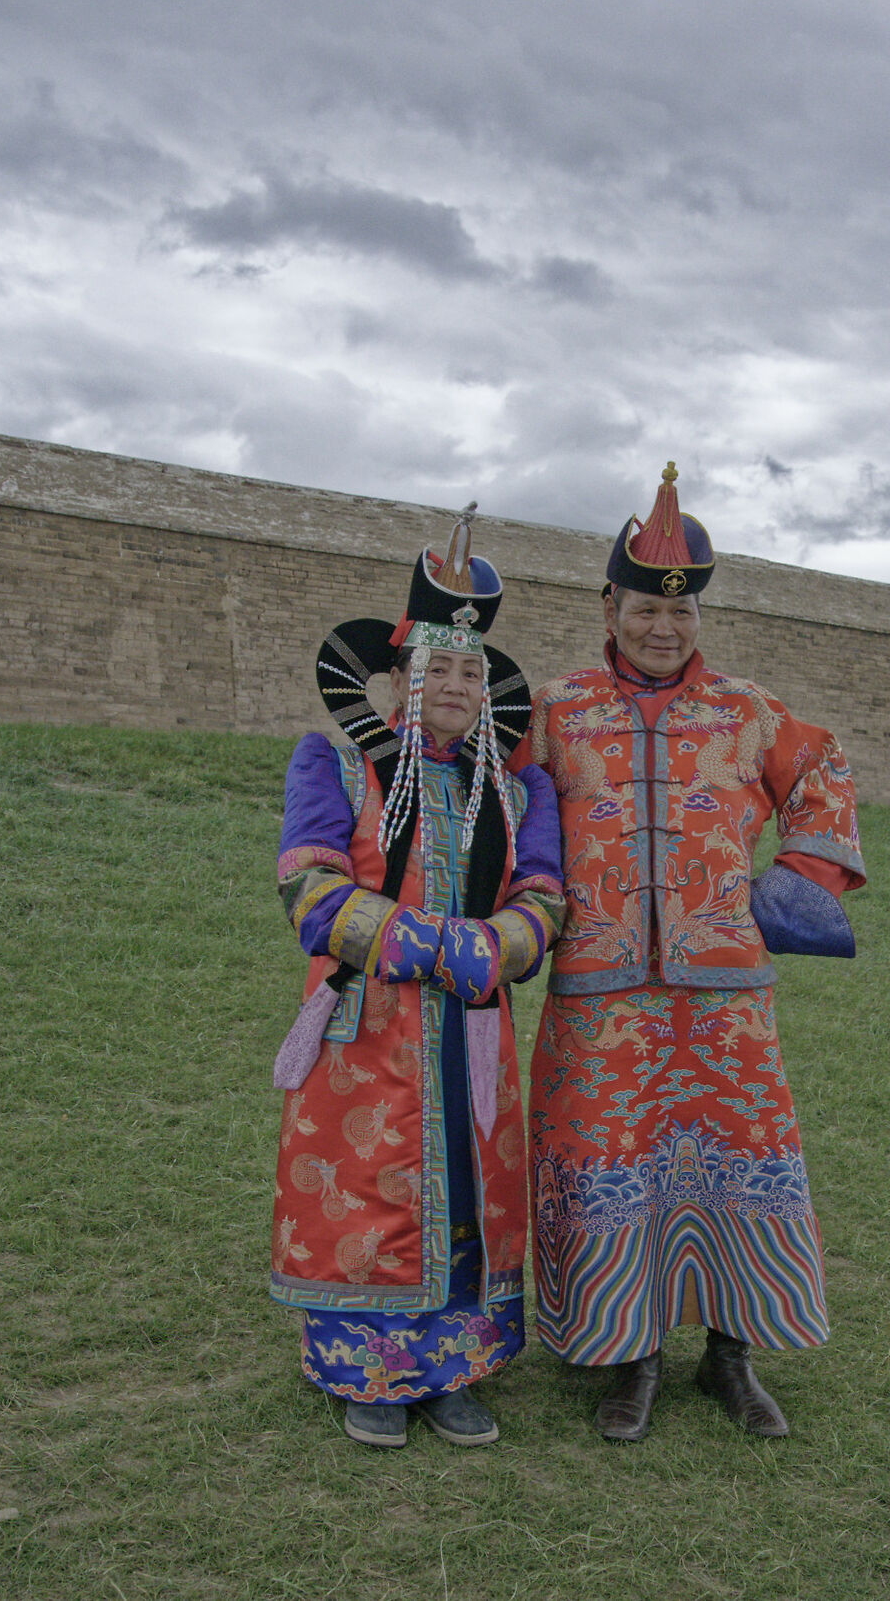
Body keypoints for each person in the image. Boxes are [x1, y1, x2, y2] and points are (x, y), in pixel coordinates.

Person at [514, 463, 865, 1441]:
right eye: (642, 609)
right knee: (614, 1167)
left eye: (681, 615)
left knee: (736, 1169)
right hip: (599, 999)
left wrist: (794, 890)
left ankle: (730, 1356)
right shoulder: (555, 712)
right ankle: (631, 1357)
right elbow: (495, 804)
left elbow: (823, 772)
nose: (662, 628)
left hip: (724, 1002)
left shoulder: (749, 713)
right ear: (610, 604)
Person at [268, 507, 564, 1449]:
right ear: (397, 679)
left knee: (467, 1184)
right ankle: (369, 1371)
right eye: (435, 668)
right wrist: (430, 945)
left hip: (472, 1027)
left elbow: (547, 896)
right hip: (370, 1025)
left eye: (471, 671)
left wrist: (502, 946)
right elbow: (310, 891)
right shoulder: (336, 765)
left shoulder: (518, 792)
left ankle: (454, 1370)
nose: (454, 684)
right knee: (369, 1186)